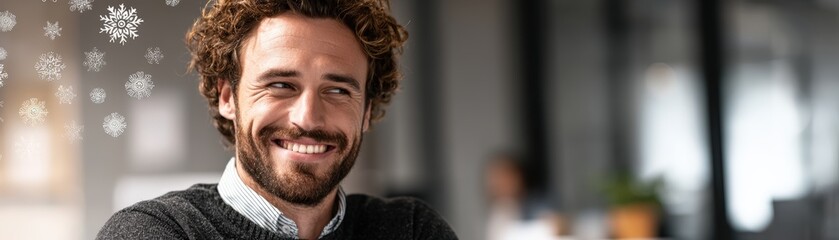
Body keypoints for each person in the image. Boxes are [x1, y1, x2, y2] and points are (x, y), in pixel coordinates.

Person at [96, 0, 457, 239]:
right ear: (227, 97)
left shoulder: (411, 231)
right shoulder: (154, 232)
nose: (308, 117)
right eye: (281, 85)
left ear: (366, 111)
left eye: (337, 91)